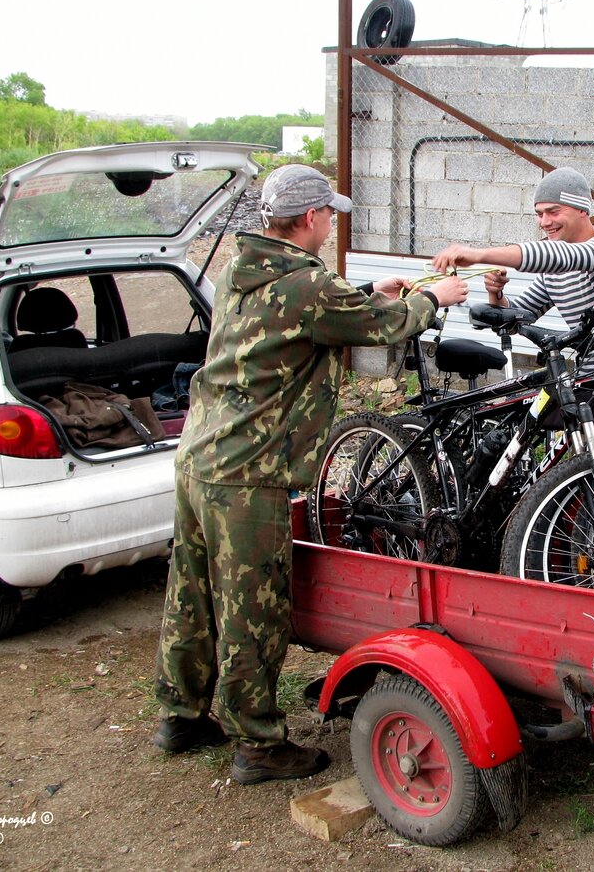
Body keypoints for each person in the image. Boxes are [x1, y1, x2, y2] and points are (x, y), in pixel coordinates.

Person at [152, 165, 468, 784]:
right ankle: (258, 745)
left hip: (200, 459)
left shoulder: (247, 269)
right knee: (252, 608)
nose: (331, 221)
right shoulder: (308, 285)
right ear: (307, 219)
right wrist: (431, 301)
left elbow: (318, 313)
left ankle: (181, 713)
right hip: (248, 472)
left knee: (191, 593)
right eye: (328, 213)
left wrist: (374, 288)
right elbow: (381, 325)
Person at [431, 166, 594, 327]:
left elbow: (564, 257)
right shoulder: (552, 276)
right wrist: (496, 293)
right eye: (540, 214)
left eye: (554, 211)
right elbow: (516, 319)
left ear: (582, 210)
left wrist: (478, 255)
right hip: (588, 377)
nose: (544, 222)